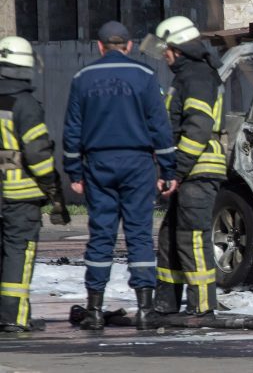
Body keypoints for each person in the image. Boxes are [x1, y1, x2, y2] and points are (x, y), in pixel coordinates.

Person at [62, 21, 176, 331]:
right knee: (139, 234)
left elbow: (72, 129)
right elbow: (160, 127)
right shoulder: (145, 76)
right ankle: (145, 309)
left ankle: (94, 310)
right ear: (128, 46)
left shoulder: (83, 78)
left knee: (101, 236)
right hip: (138, 163)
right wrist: (168, 169)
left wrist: (74, 170)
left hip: (98, 163)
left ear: (99, 46)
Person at [142, 16, 226, 317]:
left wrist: (176, 171)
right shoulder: (187, 76)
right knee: (169, 237)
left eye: (166, 49)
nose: (163, 56)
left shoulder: (197, 77)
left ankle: (203, 307)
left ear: (177, 48)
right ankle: (166, 305)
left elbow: (198, 129)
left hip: (198, 169)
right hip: (186, 169)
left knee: (192, 236)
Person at [0, 36, 69, 333]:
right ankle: (14, 317)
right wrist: (53, 189)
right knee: (18, 253)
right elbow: (38, 155)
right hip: (20, 195)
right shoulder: (25, 104)